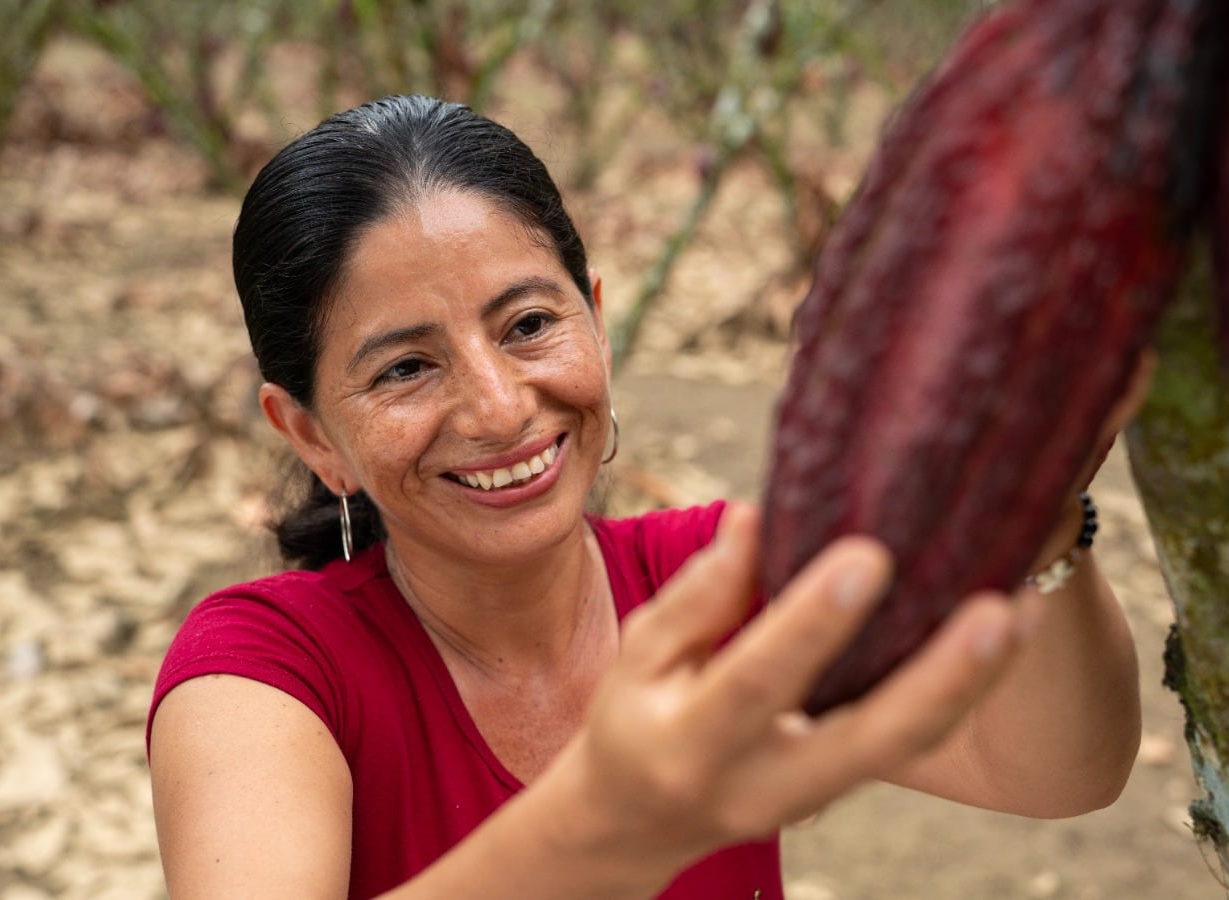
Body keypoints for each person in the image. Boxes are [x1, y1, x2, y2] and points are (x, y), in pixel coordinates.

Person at [146, 94, 1146, 900]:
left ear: (599, 323)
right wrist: (609, 825)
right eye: (406, 368)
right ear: (313, 434)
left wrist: (1038, 514)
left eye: (530, 324)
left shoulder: (715, 581)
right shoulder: (261, 673)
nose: (499, 407)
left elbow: (1053, 774)